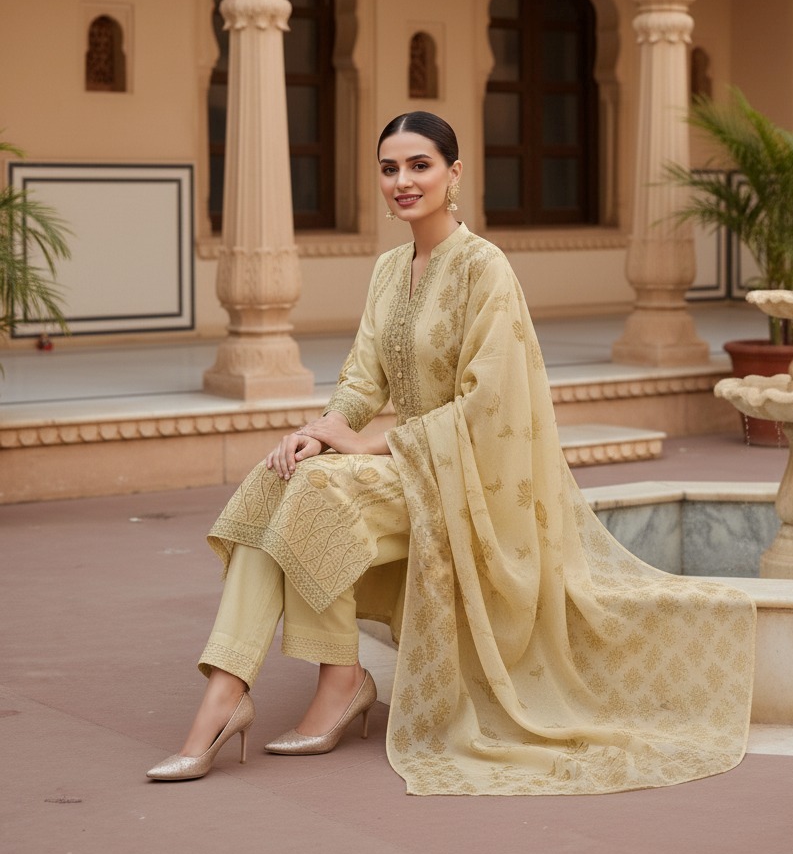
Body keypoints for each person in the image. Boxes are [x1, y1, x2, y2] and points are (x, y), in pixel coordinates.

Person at [147, 111, 755, 795]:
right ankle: (230, 695)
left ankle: (326, 686)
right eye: (388, 169)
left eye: (418, 165)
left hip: (469, 482)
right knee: (281, 478)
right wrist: (319, 431)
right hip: (405, 468)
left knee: (317, 493)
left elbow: (486, 406)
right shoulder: (386, 271)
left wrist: (369, 442)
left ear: (453, 173)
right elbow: (359, 380)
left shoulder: (483, 268)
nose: (401, 181)